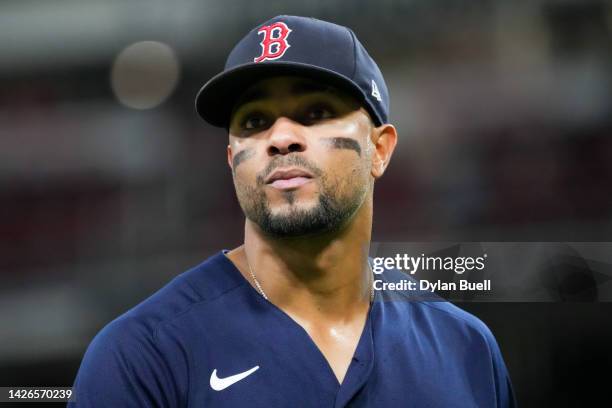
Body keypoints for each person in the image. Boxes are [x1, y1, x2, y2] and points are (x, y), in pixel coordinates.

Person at [69, 15, 516, 407]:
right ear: (232, 161)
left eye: (315, 111)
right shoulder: (143, 357)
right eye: (254, 121)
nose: (280, 138)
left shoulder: (464, 347)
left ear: (380, 149)